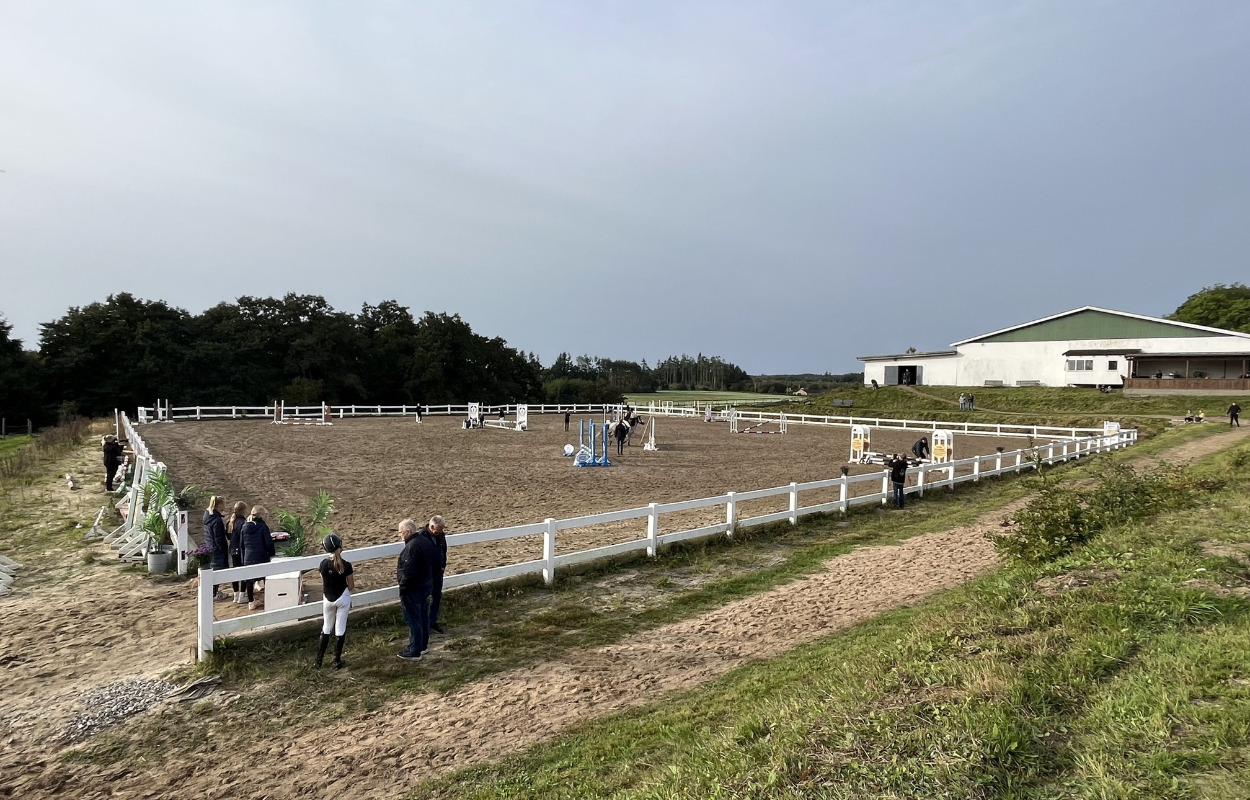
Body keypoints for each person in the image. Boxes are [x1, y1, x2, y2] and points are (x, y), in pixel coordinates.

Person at [396, 518, 439, 661]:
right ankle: (423, 645)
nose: (399, 535)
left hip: (414, 588)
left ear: (408, 532)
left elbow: (409, 572)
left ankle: (415, 650)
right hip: (425, 584)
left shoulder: (412, 547)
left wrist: (403, 587)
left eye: (401, 532)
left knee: (413, 619)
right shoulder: (425, 541)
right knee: (423, 616)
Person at [316, 533, 354, 669]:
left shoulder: (323, 564)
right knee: (340, 628)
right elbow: (351, 586)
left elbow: (324, 581)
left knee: (326, 627)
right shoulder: (346, 565)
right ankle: (336, 661)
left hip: (328, 598)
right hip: (342, 597)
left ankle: (318, 661)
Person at [239, 505, 274, 611]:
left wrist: (243, 558)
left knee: (249, 580)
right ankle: (269, 599)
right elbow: (268, 542)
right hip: (261, 555)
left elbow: (241, 544)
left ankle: (251, 602)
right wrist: (271, 553)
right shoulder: (262, 526)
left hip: (248, 556)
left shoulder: (244, 526)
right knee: (265, 577)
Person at [424, 515, 448, 634]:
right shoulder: (422, 537)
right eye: (439, 529)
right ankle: (424, 623)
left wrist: (443, 565)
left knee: (437, 596)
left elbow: (444, 550)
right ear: (432, 526)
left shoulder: (440, 535)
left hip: (438, 571)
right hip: (427, 573)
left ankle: (432, 621)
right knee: (424, 598)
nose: (441, 531)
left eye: (442, 529)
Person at [203, 496, 230, 601]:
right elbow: (218, 538)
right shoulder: (217, 521)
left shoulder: (208, 516)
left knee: (213, 570)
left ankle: (212, 592)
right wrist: (222, 549)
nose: (225, 506)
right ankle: (213, 594)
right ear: (219, 506)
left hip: (210, 546)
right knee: (217, 571)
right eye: (224, 504)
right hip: (217, 549)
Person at [226, 501, 248, 603]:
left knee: (235, 572)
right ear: (243, 510)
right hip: (241, 550)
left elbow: (228, 536)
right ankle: (242, 595)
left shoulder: (230, 522)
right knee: (244, 572)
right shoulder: (243, 523)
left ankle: (236, 594)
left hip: (232, 549)